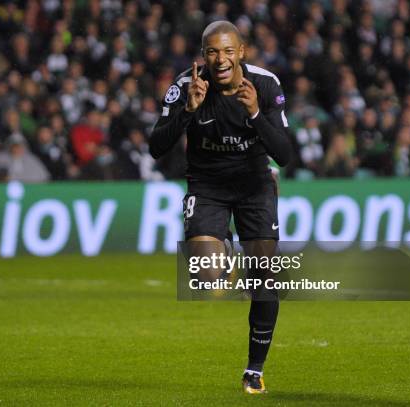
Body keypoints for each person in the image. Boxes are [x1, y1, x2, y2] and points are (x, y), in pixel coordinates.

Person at [149, 21, 291, 394]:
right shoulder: (185, 86)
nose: (220, 58)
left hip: (255, 185)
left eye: (228, 50)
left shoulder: (264, 85)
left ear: (241, 52)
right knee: (204, 277)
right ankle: (223, 245)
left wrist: (258, 114)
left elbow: (287, 154)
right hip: (207, 185)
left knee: (263, 281)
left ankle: (254, 370)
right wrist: (186, 111)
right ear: (203, 55)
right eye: (212, 51)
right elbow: (155, 147)